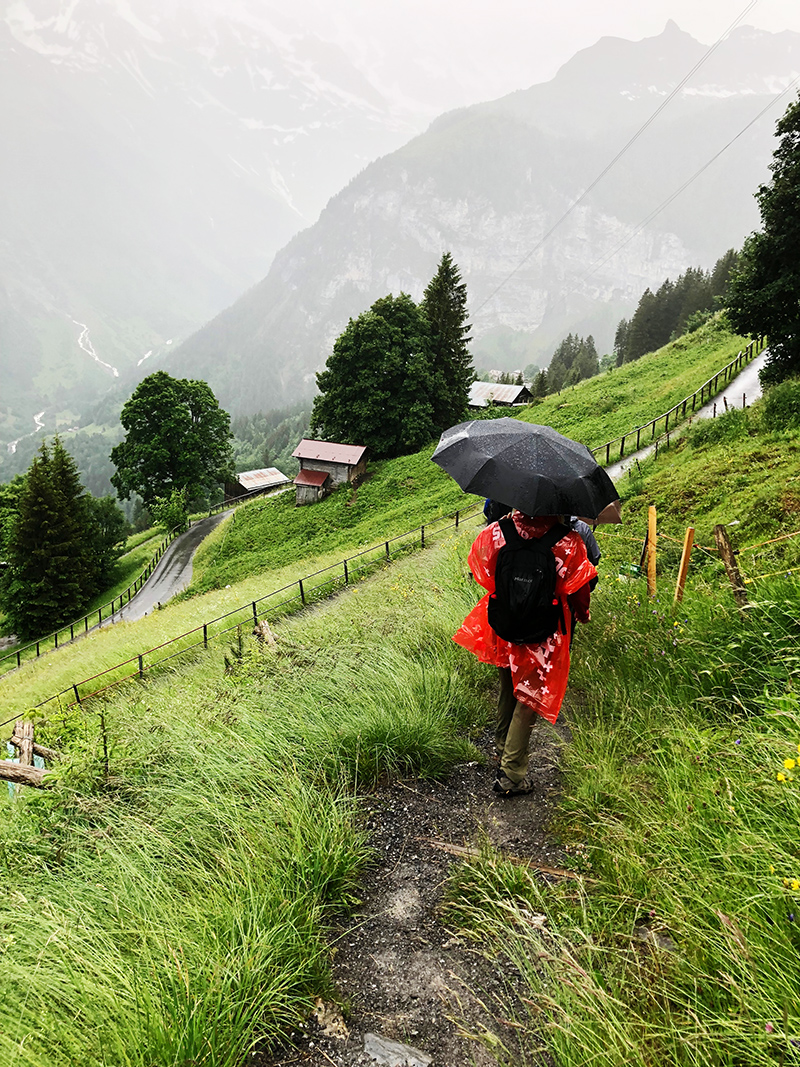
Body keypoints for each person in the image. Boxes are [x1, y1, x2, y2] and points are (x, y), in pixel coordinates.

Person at [454, 510, 597, 796]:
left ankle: (501, 749)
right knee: (529, 698)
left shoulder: (496, 532)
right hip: (543, 634)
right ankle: (511, 776)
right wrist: (582, 614)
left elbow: (480, 569)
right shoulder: (568, 542)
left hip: (504, 626)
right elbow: (580, 590)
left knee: (508, 685)